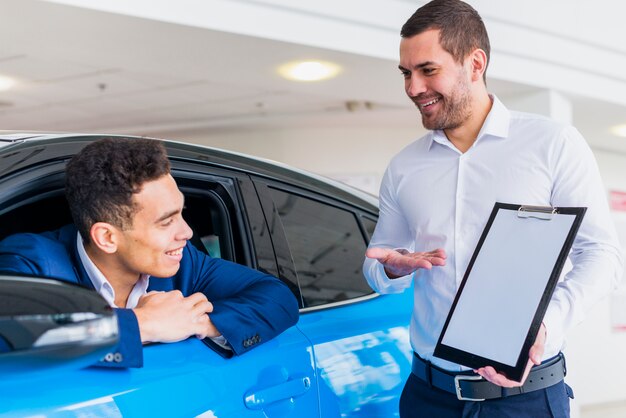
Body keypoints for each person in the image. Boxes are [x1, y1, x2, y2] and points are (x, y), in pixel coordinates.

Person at [363, 0, 623, 416]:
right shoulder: (404, 167)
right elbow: (379, 267)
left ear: (475, 63)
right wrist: (394, 268)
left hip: (525, 401)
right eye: (406, 74)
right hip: (428, 397)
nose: (413, 88)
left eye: (428, 70)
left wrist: (544, 328)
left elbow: (601, 255)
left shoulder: (552, 144)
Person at [0, 137, 299, 368]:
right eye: (166, 221)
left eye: (182, 213)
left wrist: (197, 322)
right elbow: (12, 335)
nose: (187, 233)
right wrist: (145, 324)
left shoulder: (184, 263)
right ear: (106, 237)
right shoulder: (32, 260)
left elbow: (278, 297)